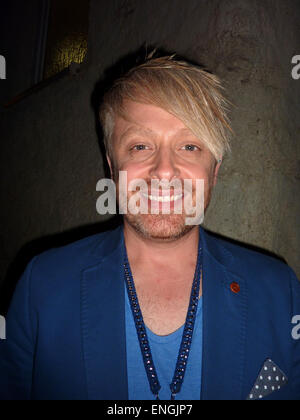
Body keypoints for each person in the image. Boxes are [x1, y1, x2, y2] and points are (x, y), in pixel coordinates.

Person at [0, 54, 299, 401]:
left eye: (189, 146)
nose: (164, 171)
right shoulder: (43, 285)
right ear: (113, 169)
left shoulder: (279, 290)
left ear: (214, 173)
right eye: (140, 146)